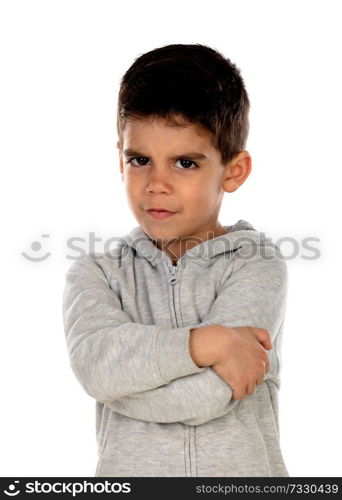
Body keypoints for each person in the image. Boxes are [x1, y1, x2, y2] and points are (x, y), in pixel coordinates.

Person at [62, 43, 289, 477]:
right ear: (120, 160)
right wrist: (207, 343)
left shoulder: (256, 262)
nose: (157, 184)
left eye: (185, 162)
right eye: (140, 160)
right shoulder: (96, 274)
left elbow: (206, 396)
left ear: (233, 171)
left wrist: (120, 380)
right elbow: (95, 366)